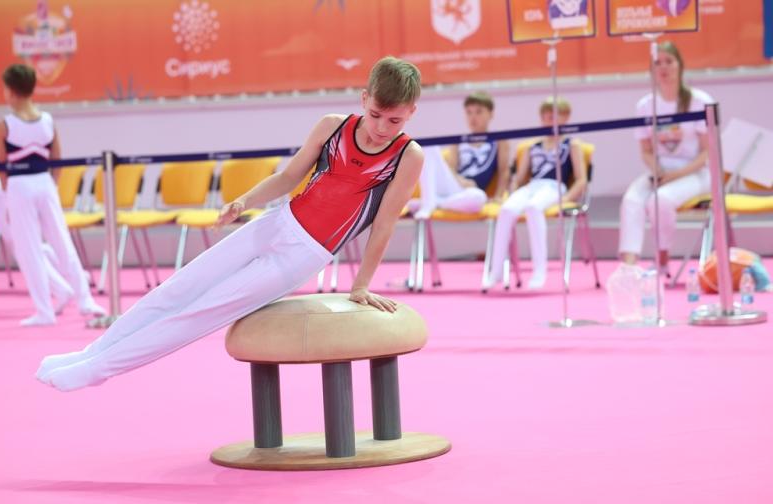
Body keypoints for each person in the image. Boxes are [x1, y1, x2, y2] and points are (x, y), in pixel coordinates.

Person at [36, 56, 425, 392]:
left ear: (411, 112)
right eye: (376, 115)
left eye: (394, 120)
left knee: (201, 311)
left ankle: (99, 370)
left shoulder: (407, 156)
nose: (381, 128)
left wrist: (361, 285)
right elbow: (288, 178)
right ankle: (93, 352)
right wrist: (243, 202)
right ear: (363, 99)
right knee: (176, 289)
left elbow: (384, 224)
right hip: (275, 223)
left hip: (303, 255)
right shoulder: (332, 126)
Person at [0, 64, 104, 326]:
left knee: (29, 248)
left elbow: (2, 168)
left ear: (11, 91)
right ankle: (85, 300)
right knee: (62, 242)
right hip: (45, 183)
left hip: (19, 185)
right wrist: (50, 185)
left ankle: (44, 311)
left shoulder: (3, 126)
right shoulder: (47, 120)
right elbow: (57, 161)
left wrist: (9, 197)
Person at [618, 41, 714, 274]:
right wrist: (659, 171)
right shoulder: (645, 105)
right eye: (657, 63)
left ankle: (662, 260)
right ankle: (628, 268)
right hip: (660, 171)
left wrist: (675, 175)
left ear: (680, 65)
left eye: (669, 61)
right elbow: (646, 151)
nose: (663, 67)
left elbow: (707, 152)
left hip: (695, 172)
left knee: (659, 200)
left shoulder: (699, 101)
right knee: (632, 200)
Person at [487, 96, 587, 290]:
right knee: (506, 210)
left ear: (565, 117)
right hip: (533, 186)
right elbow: (520, 178)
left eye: (554, 114)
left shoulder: (571, 145)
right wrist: (512, 192)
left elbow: (581, 179)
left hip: (555, 187)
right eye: (546, 115)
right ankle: (496, 271)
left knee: (533, 208)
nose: (549, 118)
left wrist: (567, 198)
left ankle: (539, 271)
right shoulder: (533, 146)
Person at [0, 178, 76, 311]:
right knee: (29, 247)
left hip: (0, 194)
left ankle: (62, 289)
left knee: (23, 250)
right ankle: (69, 275)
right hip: (1, 192)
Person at [408, 91, 510, 219]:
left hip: (470, 193)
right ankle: (429, 202)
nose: (473, 117)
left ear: (491, 114)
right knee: (429, 146)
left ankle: (433, 202)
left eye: (479, 112)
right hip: (454, 185)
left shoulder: (499, 141)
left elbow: (504, 171)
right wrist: (462, 181)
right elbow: (451, 169)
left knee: (479, 197)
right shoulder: (458, 141)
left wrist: (499, 196)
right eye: (469, 112)